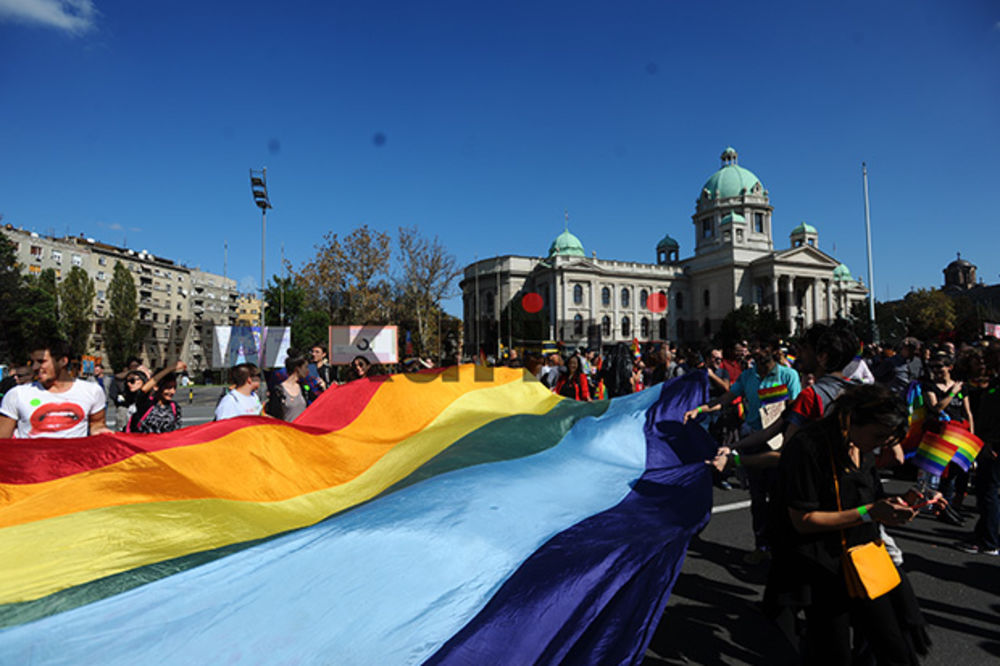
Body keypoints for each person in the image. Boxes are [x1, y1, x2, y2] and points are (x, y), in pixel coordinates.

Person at [768, 383, 938, 664]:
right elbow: (803, 521)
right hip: (824, 569)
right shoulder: (808, 446)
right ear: (852, 419)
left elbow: (871, 498)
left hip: (866, 561)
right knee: (834, 653)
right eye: (879, 435)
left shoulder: (862, 444)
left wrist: (902, 504)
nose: (882, 444)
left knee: (893, 645)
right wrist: (870, 512)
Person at [685, 335, 801, 562]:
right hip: (754, 440)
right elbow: (727, 398)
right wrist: (700, 410)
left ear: (772, 351)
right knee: (758, 498)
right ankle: (762, 546)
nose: (754, 351)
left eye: (760, 347)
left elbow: (796, 410)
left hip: (782, 442)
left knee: (782, 497)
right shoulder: (748, 376)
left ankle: (783, 545)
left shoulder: (788, 375)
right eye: (752, 348)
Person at [0, 338, 108, 439]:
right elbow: (3, 440)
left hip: (73, 459)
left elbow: (96, 424)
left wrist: (100, 431)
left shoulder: (92, 391)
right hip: (31, 458)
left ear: (63, 361)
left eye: (41, 361)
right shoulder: (16, 394)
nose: (35, 367)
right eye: (33, 362)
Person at [129, 361, 187, 434]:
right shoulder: (146, 403)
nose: (172, 391)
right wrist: (170, 368)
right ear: (156, 387)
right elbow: (144, 390)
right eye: (168, 388)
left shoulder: (174, 407)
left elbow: (176, 432)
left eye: (174, 387)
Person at [268, 352, 309, 421]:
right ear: (297, 369)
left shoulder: (303, 388)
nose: (307, 370)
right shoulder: (278, 391)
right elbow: (273, 416)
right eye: (306, 367)